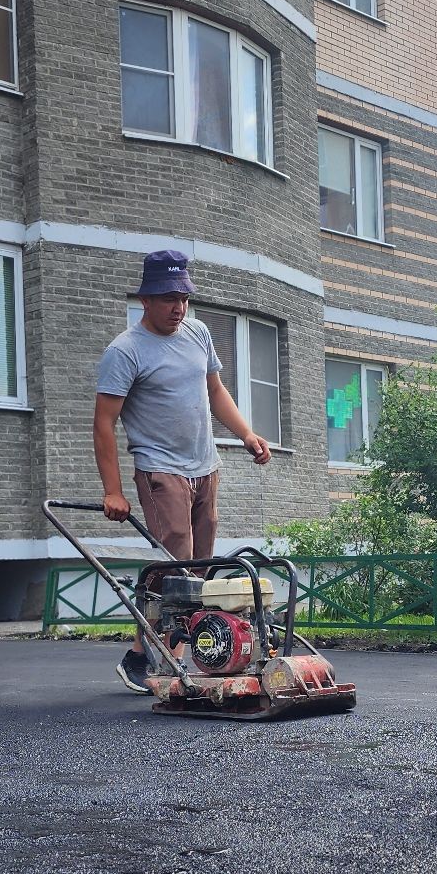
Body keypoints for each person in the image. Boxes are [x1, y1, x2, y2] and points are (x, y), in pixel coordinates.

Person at [94, 250, 271, 693]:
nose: (178, 307)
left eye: (184, 298)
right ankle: (167, 658)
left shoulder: (197, 333)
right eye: (168, 298)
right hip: (160, 469)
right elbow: (103, 423)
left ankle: (141, 654)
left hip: (204, 466)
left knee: (198, 571)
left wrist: (247, 434)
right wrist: (113, 490)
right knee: (178, 564)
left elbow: (215, 390)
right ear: (145, 299)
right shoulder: (125, 352)